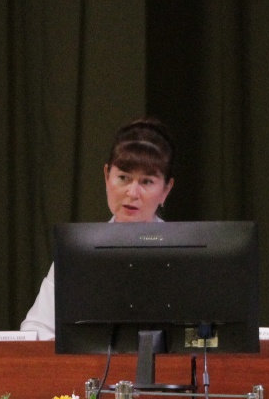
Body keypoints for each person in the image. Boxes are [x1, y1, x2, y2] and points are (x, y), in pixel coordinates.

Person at [20, 118, 175, 339]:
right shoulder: (78, 252)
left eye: (147, 182)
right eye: (123, 178)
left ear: (166, 189)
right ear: (106, 176)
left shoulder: (184, 252)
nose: (132, 193)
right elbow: (36, 329)